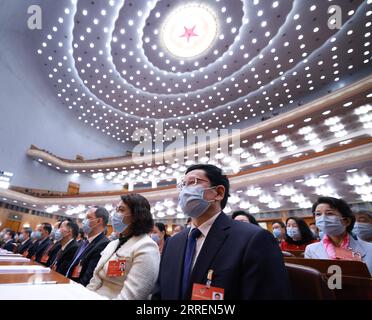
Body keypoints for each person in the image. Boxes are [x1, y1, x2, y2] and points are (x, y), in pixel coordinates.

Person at [152, 164, 291, 300]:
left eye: (193, 182)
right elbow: (160, 293)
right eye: (183, 185)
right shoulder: (173, 242)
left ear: (218, 193)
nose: (185, 191)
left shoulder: (253, 239)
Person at [87, 194, 160, 299]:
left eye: (121, 210)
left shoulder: (146, 246)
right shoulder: (112, 244)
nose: (116, 214)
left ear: (136, 216)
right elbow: (96, 280)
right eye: (116, 210)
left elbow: (133, 295)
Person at [305, 197, 372, 275]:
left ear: (347, 221)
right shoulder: (311, 250)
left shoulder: (369, 248)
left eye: (329, 213)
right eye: (318, 214)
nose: (323, 218)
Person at [65, 206, 110, 286]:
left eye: (88, 217)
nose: (84, 221)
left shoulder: (103, 244)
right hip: (67, 281)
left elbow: (88, 278)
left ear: (99, 221)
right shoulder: (84, 242)